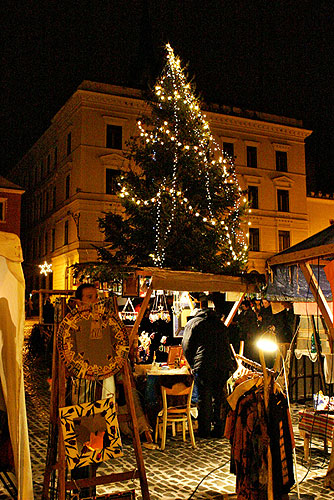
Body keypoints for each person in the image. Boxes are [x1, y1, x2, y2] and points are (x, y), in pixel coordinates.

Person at [182, 302, 233, 438]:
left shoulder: (193, 323)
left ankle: (204, 430)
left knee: (204, 397)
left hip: (204, 365)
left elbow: (187, 346)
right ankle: (219, 429)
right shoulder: (219, 324)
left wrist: (192, 364)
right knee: (219, 397)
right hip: (222, 364)